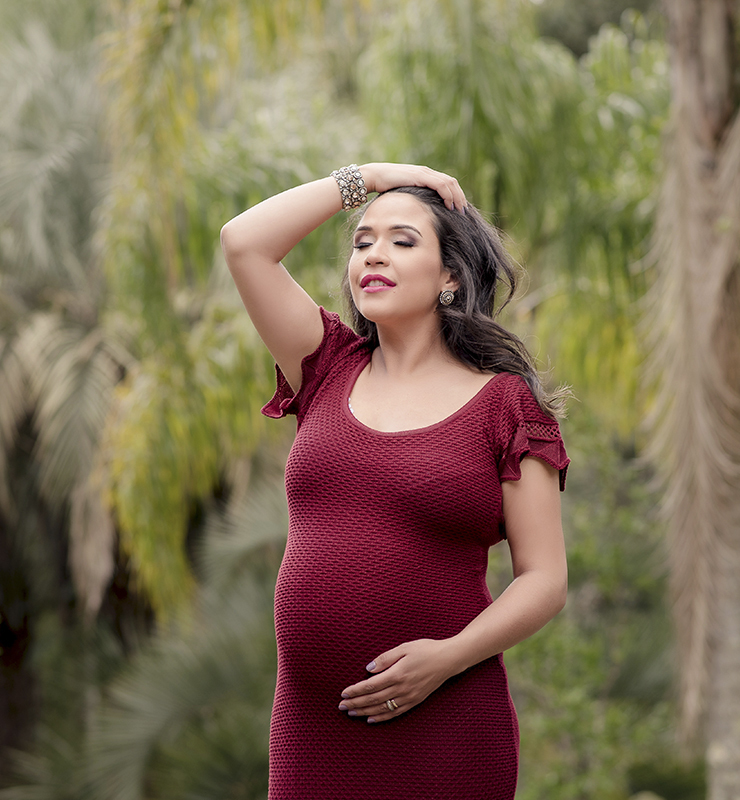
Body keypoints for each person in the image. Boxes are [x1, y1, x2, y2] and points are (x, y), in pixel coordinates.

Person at [220, 163, 570, 799]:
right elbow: (245, 242)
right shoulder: (325, 366)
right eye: (362, 242)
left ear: (450, 277)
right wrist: (378, 176)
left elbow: (545, 578)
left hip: (446, 725)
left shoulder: (505, 406)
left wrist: (447, 658)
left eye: (402, 241)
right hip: (313, 732)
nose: (374, 255)